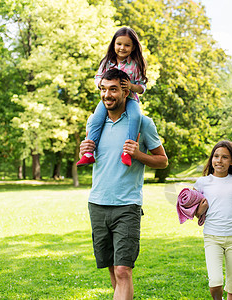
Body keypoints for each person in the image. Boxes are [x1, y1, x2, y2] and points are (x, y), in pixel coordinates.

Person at [80, 68, 168, 300]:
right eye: (104, 89)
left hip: (127, 205)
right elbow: (99, 157)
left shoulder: (142, 123)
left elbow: (162, 161)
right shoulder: (94, 122)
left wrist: (138, 154)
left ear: (126, 91)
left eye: (113, 89)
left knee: (123, 269)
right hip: (97, 204)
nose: (107, 95)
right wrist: (84, 150)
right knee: (111, 268)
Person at [193, 140, 232, 300]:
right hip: (212, 238)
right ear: (211, 159)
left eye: (225, 157)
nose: (219, 160)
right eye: (216, 156)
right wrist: (200, 210)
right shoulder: (202, 182)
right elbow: (193, 211)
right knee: (215, 281)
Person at [77, 27, 147, 167]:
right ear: (113, 44)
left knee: (135, 117)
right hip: (110, 99)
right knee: (97, 118)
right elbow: (97, 77)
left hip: (130, 99)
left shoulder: (135, 65)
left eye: (127, 45)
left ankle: (127, 152)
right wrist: (102, 85)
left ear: (133, 47)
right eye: (119, 44)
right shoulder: (107, 62)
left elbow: (142, 87)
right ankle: (89, 153)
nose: (122, 48)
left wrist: (131, 86)